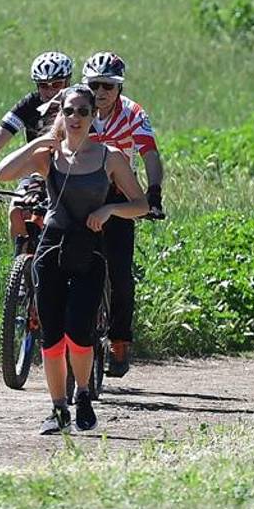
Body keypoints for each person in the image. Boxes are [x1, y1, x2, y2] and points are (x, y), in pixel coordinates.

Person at [0, 85, 148, 434]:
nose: (75, 118)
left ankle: (83, 395)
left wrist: (110, 208)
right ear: (59, 115)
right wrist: (36, 144)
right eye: (69, 111)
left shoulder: (109, 157)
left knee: (80, 334)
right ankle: (58, 409)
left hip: (90, 252)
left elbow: (140, 204)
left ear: (94, 116)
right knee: (52, 337)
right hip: (51, 250)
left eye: (82, 111)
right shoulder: (49, 155)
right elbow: (2, 174)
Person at [81, 52, 164, 378]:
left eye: (108, 86)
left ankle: (119, 341)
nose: (100, 92)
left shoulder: (133, 113)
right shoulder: (74, 104)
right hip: (78, 190)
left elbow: (150, 154)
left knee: (120, 274)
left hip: (117, 192)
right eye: (94, 85)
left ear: (119, 88)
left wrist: (153, 192)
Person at [0, 51, 72, 200]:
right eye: (44, 86)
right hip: (37, 169)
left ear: (68, 82)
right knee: (17, 210)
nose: (50, 91)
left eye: (57, 84)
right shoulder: (30, 104)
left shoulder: (78, 102)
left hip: (73, 168)